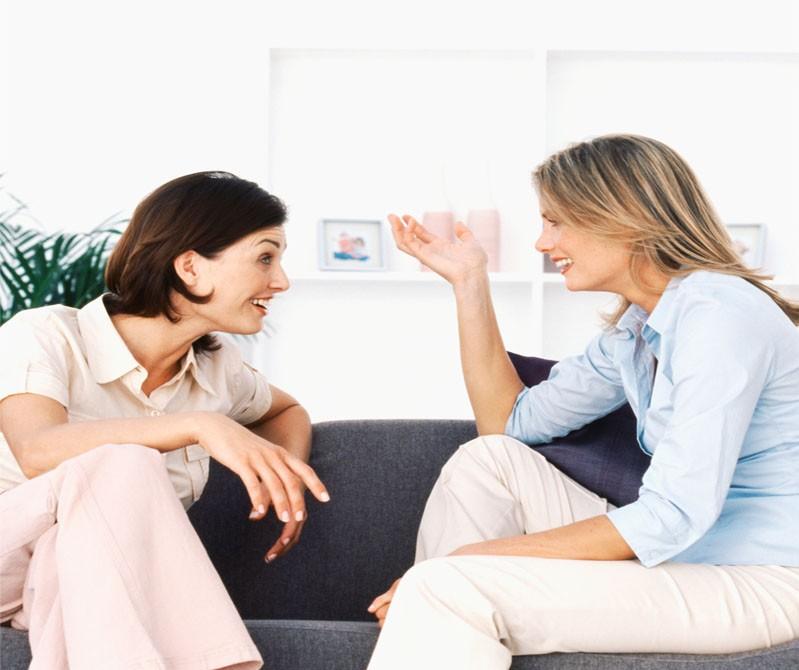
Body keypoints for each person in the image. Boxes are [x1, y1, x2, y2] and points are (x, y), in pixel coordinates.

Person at [366, 135, 799, 669]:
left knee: (449, 585)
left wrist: (462, 562)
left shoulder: (720, 318)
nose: (542, 243)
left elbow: (672, 516)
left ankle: (439, 605)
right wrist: (468, 282)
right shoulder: (638, 330)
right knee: (489, 461)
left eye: (556, 222)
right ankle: (438, 615)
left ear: (624, 218)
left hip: (758, 577)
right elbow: (508, 425)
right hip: (691, 552)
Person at [0, 171, 330, 669]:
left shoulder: (218, 371)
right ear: (191, 267)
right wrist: (201, 425)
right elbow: (37, 447)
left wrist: (284, 480)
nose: (281, 281)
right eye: (265, 258)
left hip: (67, 573)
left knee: (79, 561)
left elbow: (286, 410)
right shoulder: (46, 335)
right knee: (124, 465)